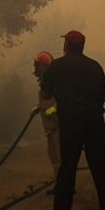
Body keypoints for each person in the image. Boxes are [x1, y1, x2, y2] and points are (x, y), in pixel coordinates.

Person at [40, 30, 105, 210]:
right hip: (94, 120)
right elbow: (104, 96)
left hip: (70, 121)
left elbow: (45, 94)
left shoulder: (57, 66)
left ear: (66, 46)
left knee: (67, 169)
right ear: (82, 46)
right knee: (103, 167)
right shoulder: (93, 65)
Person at [30, 51, 62, 195]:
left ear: (43, 66)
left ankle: (64, 186)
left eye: (37, 65)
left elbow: (63, 99)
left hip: (58, 125)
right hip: (49, 127)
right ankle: (59, 183)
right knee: (54, 157)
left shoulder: (55, 81)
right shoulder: (44, 82)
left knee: (60, 156)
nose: (35, 69)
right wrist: (38, 107)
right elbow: (45, 100)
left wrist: (54, 109)